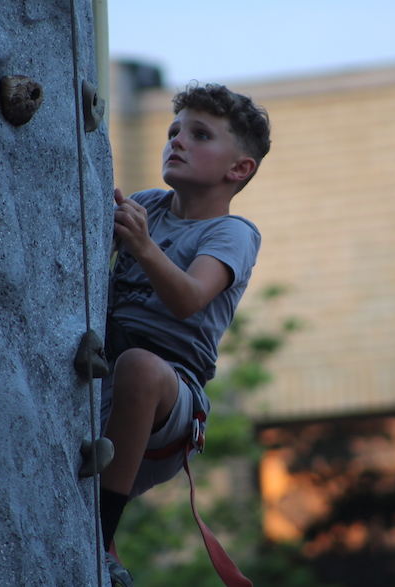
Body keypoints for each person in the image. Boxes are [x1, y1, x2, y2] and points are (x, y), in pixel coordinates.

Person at [100, 83, 271, 585]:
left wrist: (143, 246)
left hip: (170, 399)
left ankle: (97, 539)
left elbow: (189, 298)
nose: (177, 140)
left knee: (139, 368)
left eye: (199, 134)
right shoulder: (148, 205)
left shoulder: (231, 233)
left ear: (238, 169)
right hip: (105, 378)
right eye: (174, 130)